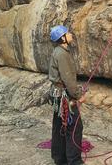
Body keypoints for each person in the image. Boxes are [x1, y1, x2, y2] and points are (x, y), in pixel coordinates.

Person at [47, 25, 86, 165]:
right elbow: (68, 78)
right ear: (62, 38)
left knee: (59, 126)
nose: (70, 35)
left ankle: (59, 158)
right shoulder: (62, 54)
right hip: (64, 96)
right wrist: (78, 95)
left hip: (57, 94)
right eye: (67, 33)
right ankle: (74, 161)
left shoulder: (58, 51)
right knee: (74, 127)